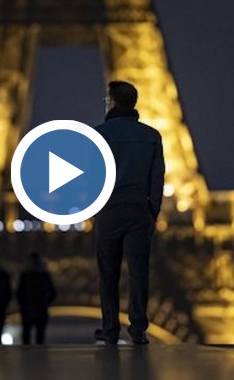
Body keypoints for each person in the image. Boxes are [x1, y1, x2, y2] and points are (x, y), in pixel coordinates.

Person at [93, 81, 164, 345]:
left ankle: (110, 329)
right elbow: (157, 179)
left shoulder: (97, 135)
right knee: (139, 272)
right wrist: (151, 211)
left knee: (108, 274)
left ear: (112, 102)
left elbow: (88, 180)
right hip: (139, 210)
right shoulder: (151, 136)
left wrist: (95, 211)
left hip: (108, 211)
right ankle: (138, 330)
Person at [16, 252, 56, 344]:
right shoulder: (44, 276)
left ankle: (26, 352)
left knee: (27, 338)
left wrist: (23, 304)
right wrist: (45, 303)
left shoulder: (25, 276)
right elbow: (53, 293)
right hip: (39, 308)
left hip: (28, 309)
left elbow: (19, 293)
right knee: (39, 338)